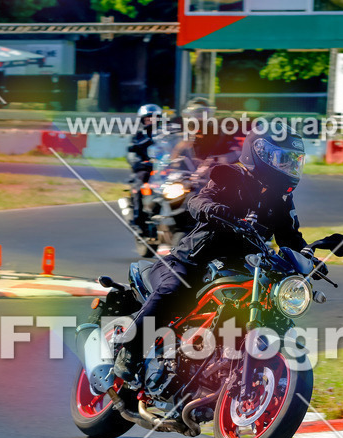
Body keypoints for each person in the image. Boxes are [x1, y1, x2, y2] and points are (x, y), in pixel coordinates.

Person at [113, 127, 308, 381]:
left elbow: (291, 238)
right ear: (259, 154)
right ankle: (130, 351)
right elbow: (197, 201)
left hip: (238, 268)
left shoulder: (280, 200)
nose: (287, 167)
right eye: (282, 159)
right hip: (191, 260)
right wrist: (213, 209)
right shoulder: (231, 176)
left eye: (292, 162)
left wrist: (312, 254)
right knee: (173, 290)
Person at [126, 104, 161, 232]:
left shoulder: (165, 133)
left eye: (154, 118)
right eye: (148, 119)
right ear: (142, 120)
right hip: (145, 168)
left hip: (162, 168)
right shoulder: (138, 136)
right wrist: (141, 163)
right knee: (140, 184)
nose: (151, 121)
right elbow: (131, 154)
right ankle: (138, 220)